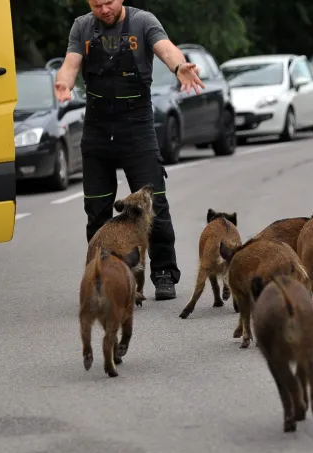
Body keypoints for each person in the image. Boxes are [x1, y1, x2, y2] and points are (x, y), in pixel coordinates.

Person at [54, 0, 205, 301]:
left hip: (136, 127)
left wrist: (179, 66)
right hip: (97, 128)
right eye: (97, 5)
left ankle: (163, 273)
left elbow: (165, 49)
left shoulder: (143, 22)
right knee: (96, 211)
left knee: (155, 205)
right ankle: (103, 275)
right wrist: (63, 82)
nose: (104, 9)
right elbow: (71, 63)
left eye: (108, 2)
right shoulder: (82, 27)